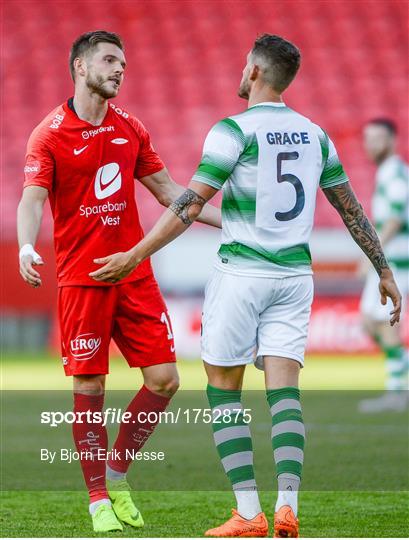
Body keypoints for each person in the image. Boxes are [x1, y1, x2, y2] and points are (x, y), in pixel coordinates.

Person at [89, 34, 402, 538]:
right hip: (296, 277)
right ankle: (288, 507)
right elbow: (351, 209)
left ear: (255, 71)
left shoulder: (232, 131)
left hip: (243, 275)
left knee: (224, 390)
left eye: (243, 66)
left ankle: (249, 512)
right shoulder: (315, 134)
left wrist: (135, 254)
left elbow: (188, 204)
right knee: (285, 394)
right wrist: (383, 269)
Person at [17, 30, 221, 533]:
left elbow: (171, 192)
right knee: (91, 384)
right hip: (82, 280)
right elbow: (32, 198)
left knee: (165, 380)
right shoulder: (49, 133)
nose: (119, 70)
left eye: (124, 63)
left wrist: (235, 223)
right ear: (80, 68)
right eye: (109, 60)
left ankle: (116, 473)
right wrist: (26, 244)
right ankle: (97, 499)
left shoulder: (131, 127)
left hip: (134, 274)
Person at [358, 119, 408, 413]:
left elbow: (395, 219)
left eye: (377, 138)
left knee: (385, 323)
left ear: (391, 140)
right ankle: (401, 371)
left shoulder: (395, 174)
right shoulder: (387, 173)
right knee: (368, 322)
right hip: (388, 260)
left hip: (397, 260)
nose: (371, 144)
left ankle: (396, 392)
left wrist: (372, 255)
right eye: (367, 138)